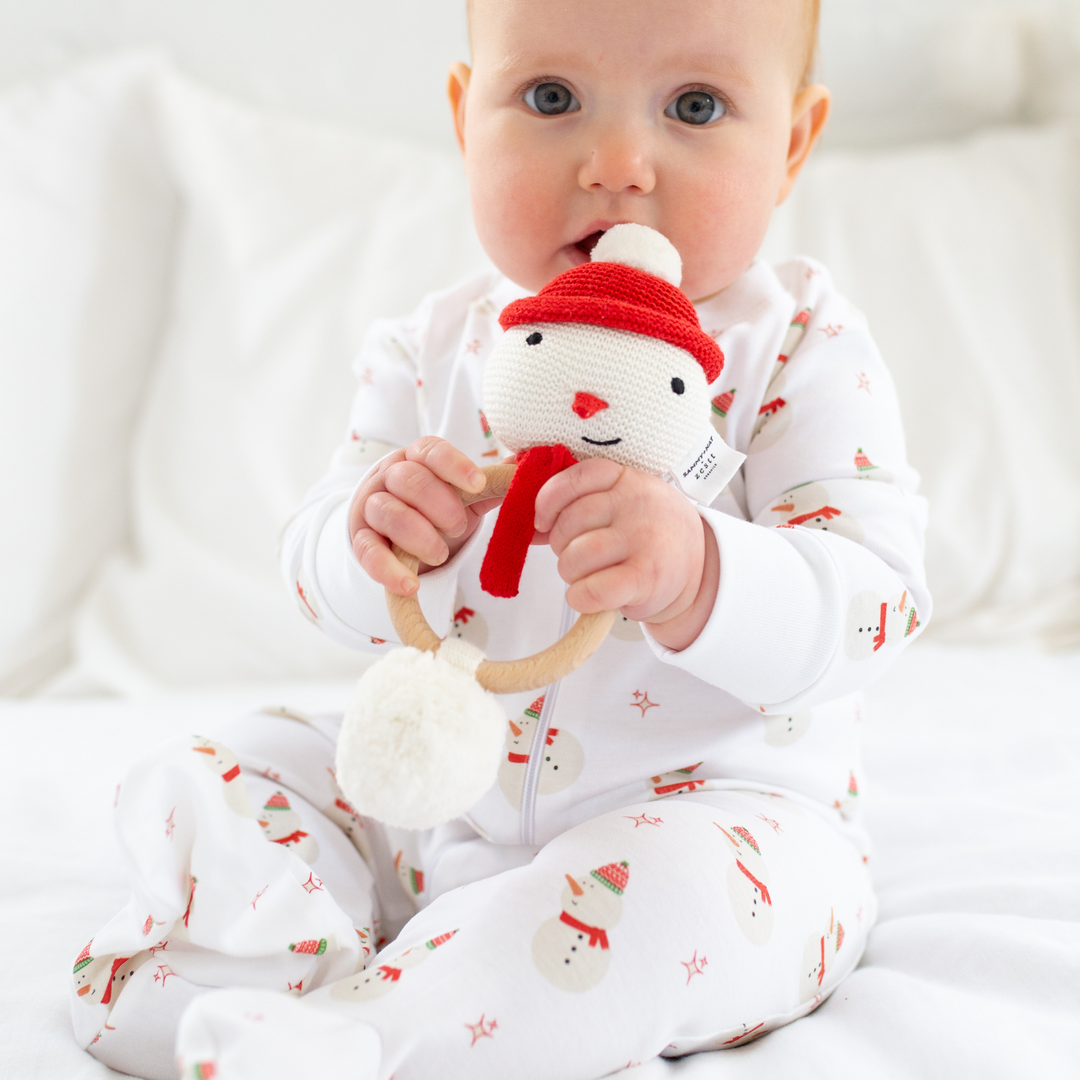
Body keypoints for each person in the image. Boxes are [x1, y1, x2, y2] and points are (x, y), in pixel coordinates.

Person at [72, 2, 930, 1077]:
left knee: (666, 908)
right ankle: (252, 973)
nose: (618, 164)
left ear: (792, 145)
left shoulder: (800, 346)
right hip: (440, 803)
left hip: (717, 819)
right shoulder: (438, 345)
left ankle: (362, 1040)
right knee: (223, 766)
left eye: (696, 107)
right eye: (552, 98)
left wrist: (698, 572)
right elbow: (318, 580)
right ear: (465, 114)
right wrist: (369, 536)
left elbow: (876, 604)